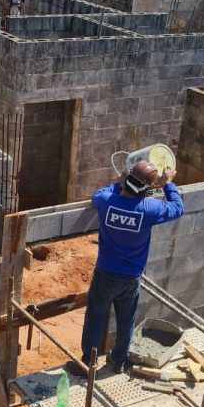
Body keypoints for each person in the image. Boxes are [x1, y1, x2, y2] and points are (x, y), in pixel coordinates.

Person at [69, 160, 184, 376]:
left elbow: (98, 194)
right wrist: (169, 183)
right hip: (131, 278)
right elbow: (178, 208)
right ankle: (119, 361)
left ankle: (88, 363)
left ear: (127, 180)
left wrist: (117, 183)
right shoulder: (150, 209)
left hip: (105, 274)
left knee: (95, 317)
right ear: (148, 189)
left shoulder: (107, 201)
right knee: (125, 320)